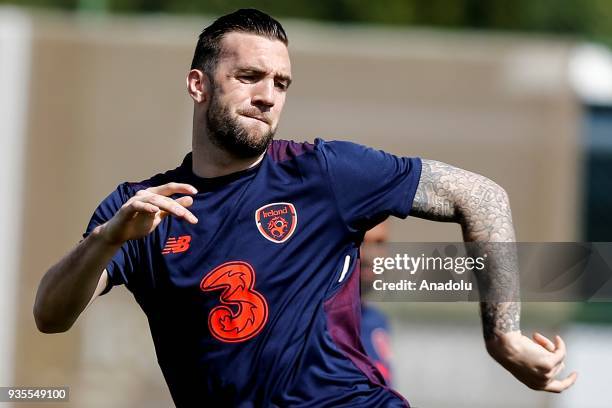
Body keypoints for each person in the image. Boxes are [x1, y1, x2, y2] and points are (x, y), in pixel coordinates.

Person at [34, 8, 577, 407]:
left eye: (281, 82)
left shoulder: (323, 172)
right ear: (198, 85)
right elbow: (49, 316)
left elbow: (480, 195)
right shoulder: (142, 209)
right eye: (248, 77)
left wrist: (502, 334)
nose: (268, 96)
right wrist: (107, 238)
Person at [360, 222, 394, 385]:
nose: (371, 256)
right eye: (361, 241)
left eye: (379, 243)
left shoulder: (377, 322)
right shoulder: (315, 323)